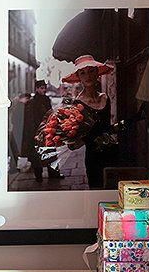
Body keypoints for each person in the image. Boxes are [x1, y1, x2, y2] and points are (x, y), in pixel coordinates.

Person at [36, 55, 118, 189]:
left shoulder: (105, 98)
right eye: (83, 73)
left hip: (112, 153)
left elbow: (107, 128)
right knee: (96, 190)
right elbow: (75, 142)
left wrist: (129, 122)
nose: (88, 76)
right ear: (79, 77)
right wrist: (75, 140)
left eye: (91, 71)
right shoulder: (76, 105)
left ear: (97, 73)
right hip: (93, 157)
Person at [22, 80, 63, 183]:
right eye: (41, 88)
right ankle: (38, 176)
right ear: (36, 89)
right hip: (36, 131)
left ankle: (54, 173)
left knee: (51, 152)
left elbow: (50, 114)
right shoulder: (32, 102)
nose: (43, 90)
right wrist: (32, 133)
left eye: (44, 88)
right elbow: (29, 119)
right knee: (37, 155)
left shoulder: (46, 99)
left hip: (47, 129)